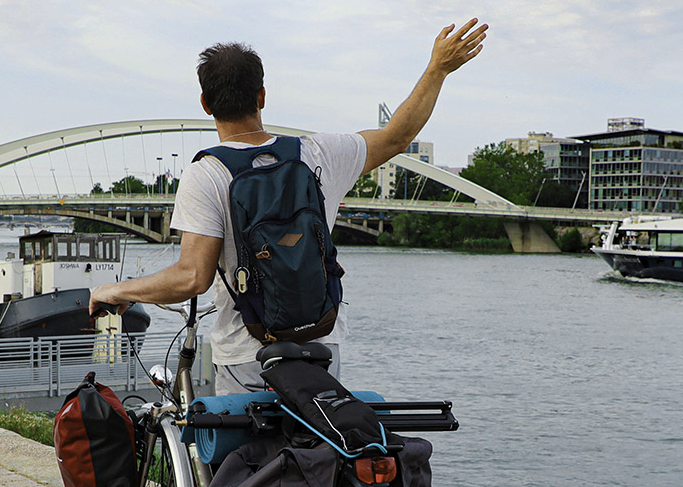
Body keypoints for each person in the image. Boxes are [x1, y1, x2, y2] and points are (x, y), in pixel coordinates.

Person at [88, 22, 486, 390]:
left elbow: (192, 278)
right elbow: (399, 136)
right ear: (262, 96)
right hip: (321, 345)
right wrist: (438, 69)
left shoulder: (206, 173)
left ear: (206, 104)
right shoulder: (318, 154)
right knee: (321, 448)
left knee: (245, 459)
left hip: (247, 356)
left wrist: (119, 290)